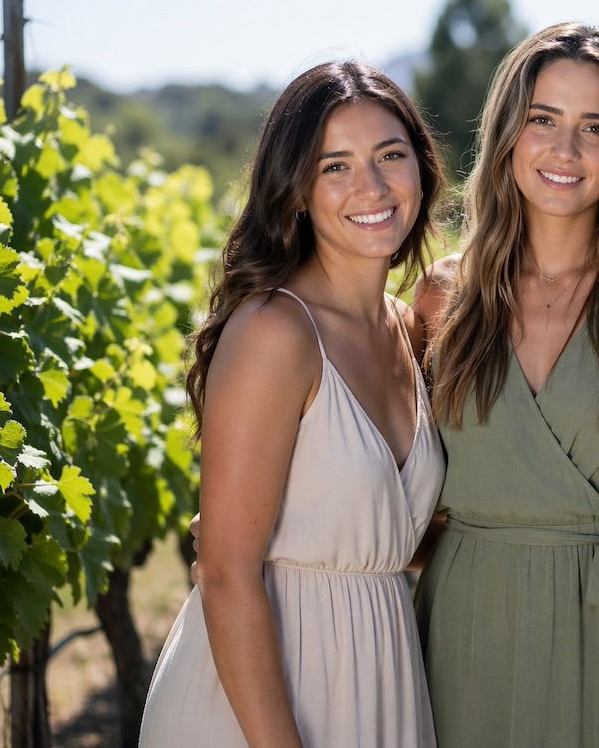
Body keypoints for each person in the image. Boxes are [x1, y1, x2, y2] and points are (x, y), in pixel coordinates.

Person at [139, 62, 446, 747]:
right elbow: (224, 571)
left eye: (390, 156)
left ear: (420, 171)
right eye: (335, 165)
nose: (371, 186)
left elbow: (395, 537)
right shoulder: (276, 331)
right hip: (264, 702)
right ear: (298, 191)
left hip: (383, 678)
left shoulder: (408, 329)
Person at [411, 23, 599, 748]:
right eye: (543, 120)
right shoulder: (445, 297)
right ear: (506, 134)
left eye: (596, 127)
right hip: (464, 625)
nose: (566, 150)